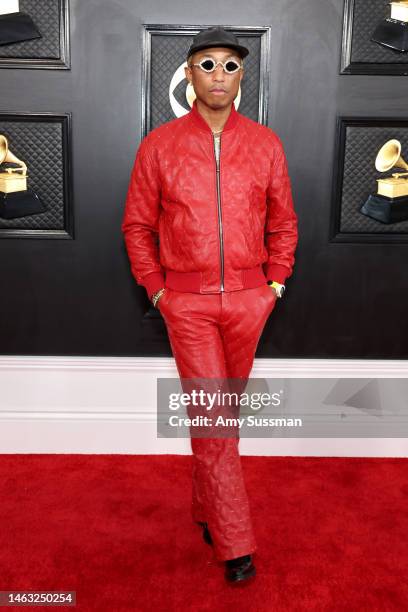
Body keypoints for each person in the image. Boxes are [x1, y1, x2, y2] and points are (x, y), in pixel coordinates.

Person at [121, 26, 298, 583]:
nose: (218, 75)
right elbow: (137, 226)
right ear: (189, 74)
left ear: (241, 76)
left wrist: (274, 285)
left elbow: (285, 222)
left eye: (229, 65)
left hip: (250, 302)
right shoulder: (159, 146)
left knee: (218, 415)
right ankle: (235, 542)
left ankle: (206, 510)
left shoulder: (266, 143)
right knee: (217, 418)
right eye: (207, 64)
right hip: (188, 305)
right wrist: (158, 290)